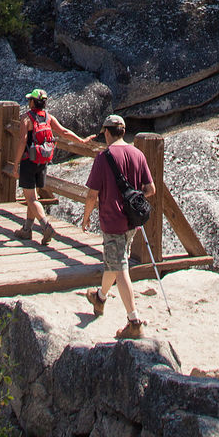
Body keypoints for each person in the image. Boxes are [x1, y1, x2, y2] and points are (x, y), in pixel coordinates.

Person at [81, 115, 155, 339]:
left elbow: (93, 193)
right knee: (115, 261)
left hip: (112, 219)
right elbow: (150, 189)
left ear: (106, 132)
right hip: (131, 222)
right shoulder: (137, 154)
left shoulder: (104, 158)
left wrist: (86, 217)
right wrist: (134, 198)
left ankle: (134, 322)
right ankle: (100, 298)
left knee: (120, 267)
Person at [9, 88, 89, 246]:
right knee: (34, 196)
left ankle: (46, 226)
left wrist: (16, 164)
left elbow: (22, 141)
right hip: (42, 161)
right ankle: (27, 229)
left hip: (28, 161)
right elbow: (64, 132)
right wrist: (81, 140)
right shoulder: (48, 117)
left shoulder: (27, 118)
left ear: (32, 102)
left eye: (29, 100)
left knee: (31, 198)